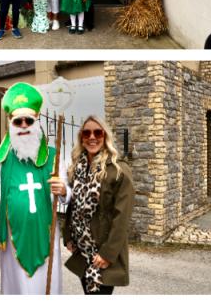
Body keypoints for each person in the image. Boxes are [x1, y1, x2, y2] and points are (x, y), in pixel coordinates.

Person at [0, 82, 68, 294]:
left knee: (46, 287)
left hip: (45, 233)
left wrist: (63, 190)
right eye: (18, 121)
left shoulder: (53, 156)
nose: (24, 125)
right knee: (18, 289)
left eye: (28, 120)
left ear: (37, 120)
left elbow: (66, 193)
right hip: (12, 237)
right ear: (10, 122)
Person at [63, 117, 134, 295]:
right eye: (87, 133)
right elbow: (74, 205)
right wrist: (68, 235)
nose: (92, 137)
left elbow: (122, 218)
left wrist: (108, 254)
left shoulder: (118, 170)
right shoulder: (78, 167)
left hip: (102, 253)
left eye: (98, 133)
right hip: (82, 250)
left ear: (105, 136)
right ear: (81, 138)